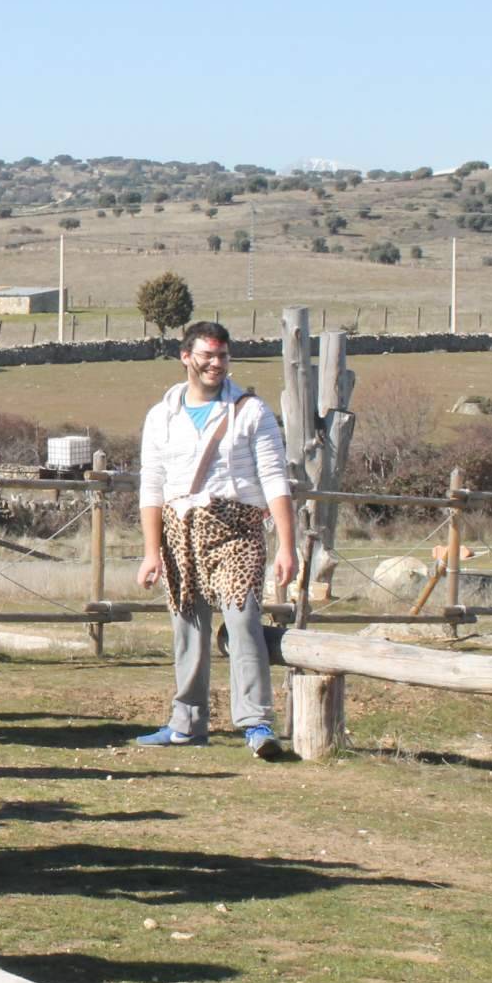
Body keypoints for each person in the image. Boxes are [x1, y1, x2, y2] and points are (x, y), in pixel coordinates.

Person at [134, 321, 294, 760]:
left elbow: (274, 478)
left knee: (242, 620)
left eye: (222, 356)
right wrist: (152, 552)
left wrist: (286, 544)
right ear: (186, 356)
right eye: (207, 355)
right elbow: (152, 485)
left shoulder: (250, 412)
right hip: (179, 530)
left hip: (236, 528)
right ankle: (186, 722)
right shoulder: (161, 415)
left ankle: (257, 722)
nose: (216, 363)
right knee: (188, 627)